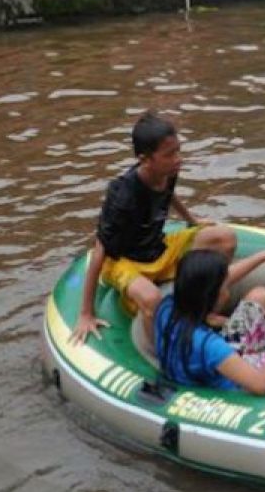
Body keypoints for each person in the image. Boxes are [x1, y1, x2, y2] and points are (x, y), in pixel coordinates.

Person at [72, 112, 236, 346]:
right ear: (145, 160)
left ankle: (203, 310)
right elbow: (100, 249)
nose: (178, 159)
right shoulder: (123, 195)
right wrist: (86, 313)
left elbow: (169, 195)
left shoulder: (168, 171)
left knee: (225, 239)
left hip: (158, 248)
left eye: (178, 150)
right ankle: (160, 353)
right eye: (169, 155)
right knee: (151, 299)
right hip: (125, 262)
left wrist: (192, 220)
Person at [155, 249, 265, 394]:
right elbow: (261, 384)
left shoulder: (167, 307)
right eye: (225, 287)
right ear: (210, 295)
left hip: (221, 364)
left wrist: (261, 257)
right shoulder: (210, 346)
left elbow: (217, 278)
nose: (228, 292)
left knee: (260, 296)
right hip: (240, 384)